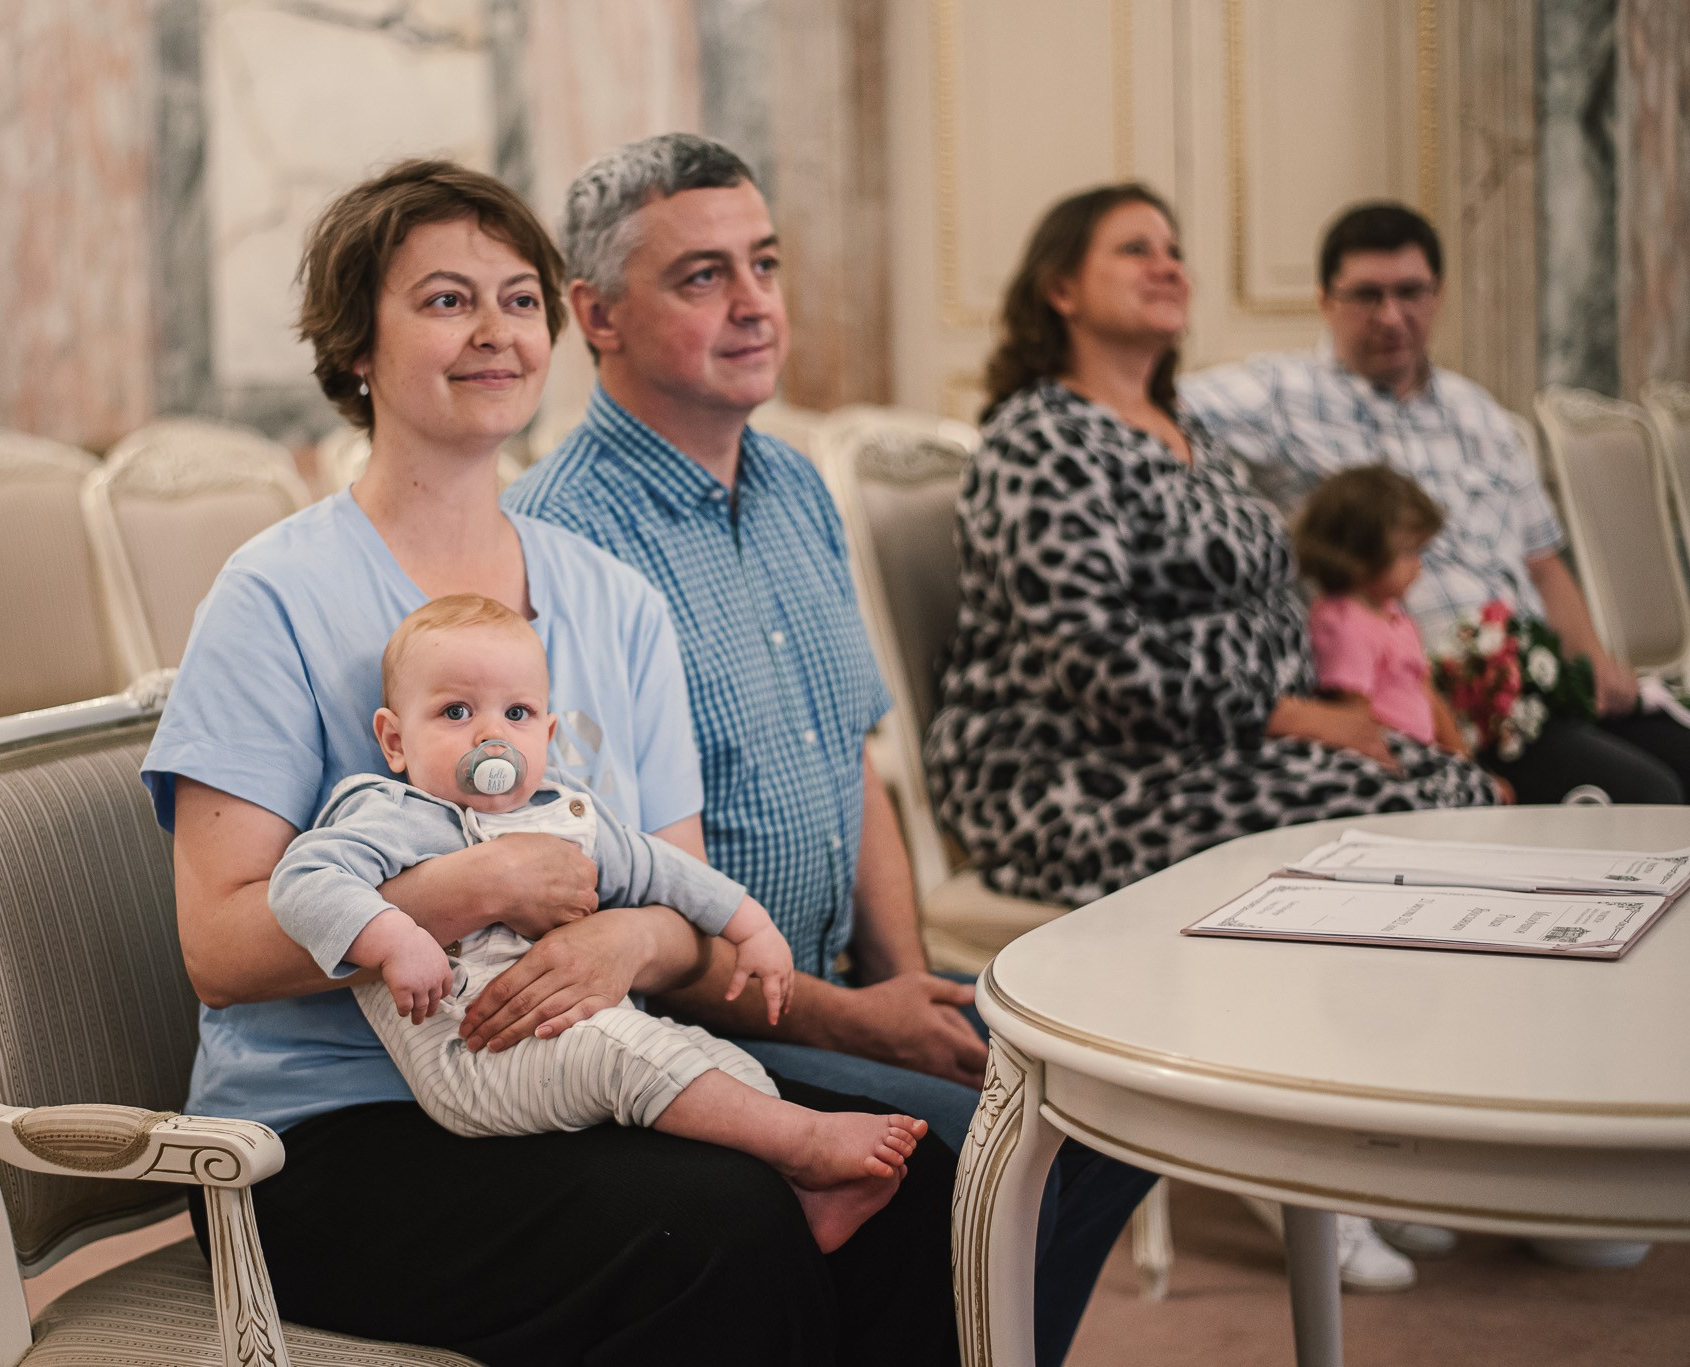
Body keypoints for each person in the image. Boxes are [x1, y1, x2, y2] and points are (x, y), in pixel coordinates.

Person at [144, 159, 959, 1366]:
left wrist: (627, 938)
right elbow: (217, 948)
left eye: (518, 299)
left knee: (918, 1174)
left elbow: (677, 907)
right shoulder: (274, 593)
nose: (493, 332)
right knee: (717, 1224)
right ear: (355, 345)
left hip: (570, 1075)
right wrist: (473, 889)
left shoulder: (609, 597)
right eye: (443, 300)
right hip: (323, 1137)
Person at [506, 132, 1149, 1367]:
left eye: (764, 263)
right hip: (681, 1024)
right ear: (595, 313)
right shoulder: (557, 545)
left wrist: (907, 987)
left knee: (1111, 1118)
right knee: (972, 1149)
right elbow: (606, 896)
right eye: (701, 277)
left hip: (834, 981)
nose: (754, 305)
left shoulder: (796, 483)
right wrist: (861, 1022)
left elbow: (853, 762)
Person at [922, 182, 1501, 1293]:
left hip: (1196, 751)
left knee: (1450, 790)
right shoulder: (1037, 437)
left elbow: (1282, 615)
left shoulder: (1187, 438)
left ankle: (1381, 1129)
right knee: (1375, 813)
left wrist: (1299, 701)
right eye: (1133, 248)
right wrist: (1283, 708)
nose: (1168, 263)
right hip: (1063, 773)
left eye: (1175, 247)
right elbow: (1100, 660)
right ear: (1058, 286)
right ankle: (1301, 1152)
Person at [270, 592, 926, 1252]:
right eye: (456, 711)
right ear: (394, 739)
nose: (488, 733)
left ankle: (802, 1190)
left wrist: (748, 923)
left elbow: (663, 868)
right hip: (476, 1057)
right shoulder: (391, 812)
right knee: (624, 1053)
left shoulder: (570, 812)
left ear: (547, 736)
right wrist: (394, 936)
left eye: (517, 712)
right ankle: (806, 1143)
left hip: (589, 1030)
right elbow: (302, 881)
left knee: (716, 1059)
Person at [1183, 201, 1690, 805]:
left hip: (1540, 678)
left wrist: (1592, 662)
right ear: (1325, 301)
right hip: (1437, 704)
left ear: (1438, 294)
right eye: (1367, 295)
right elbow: (1149, 406)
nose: (1392, 316)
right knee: (1652, 796)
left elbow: (1542, 563)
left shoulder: (1480, 414)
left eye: (1410, 292)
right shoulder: (1280, 394)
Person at [1292, 465, 1472, 754]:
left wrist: (1465, 761)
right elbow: (1353, 714)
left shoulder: (1393, 615)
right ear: (1358, 556)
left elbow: (1427, 694)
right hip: (1388, 757)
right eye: (1408, 552)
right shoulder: (1343, 622)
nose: (1418, 565)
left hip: (1423, 754)